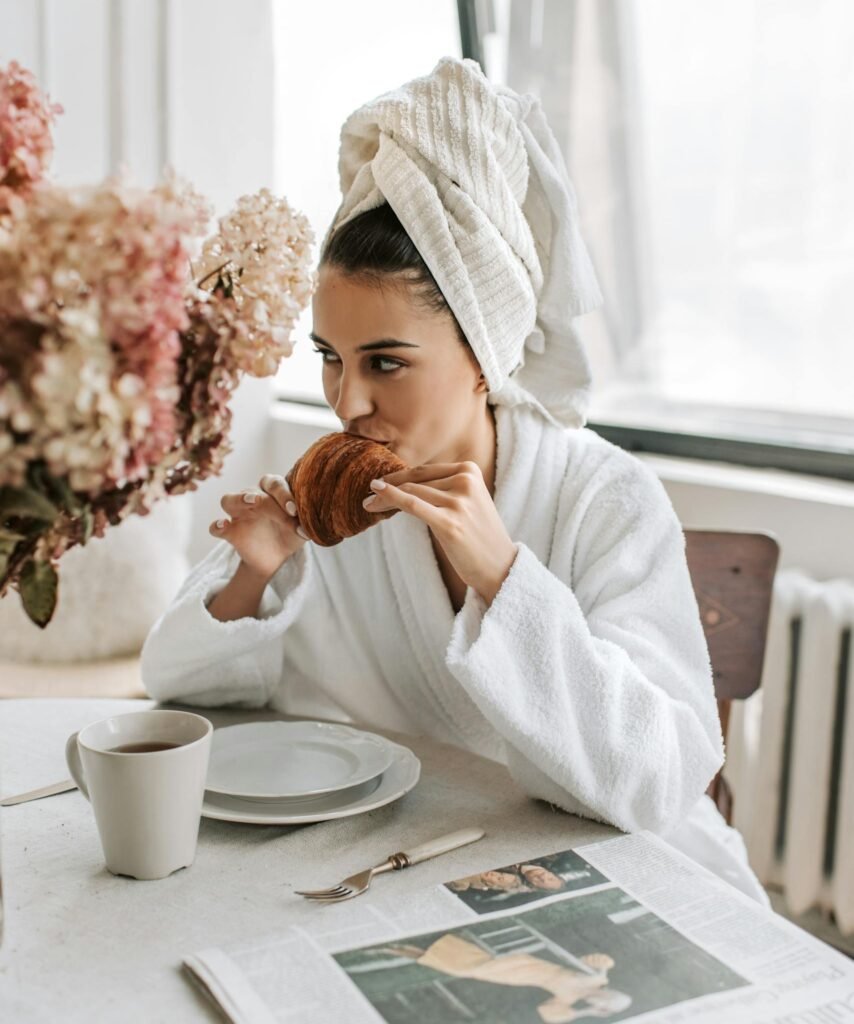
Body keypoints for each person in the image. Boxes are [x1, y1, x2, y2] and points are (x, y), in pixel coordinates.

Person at [141, 56, 767, 905]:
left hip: (613, 873)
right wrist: (253, 575)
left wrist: (504, 579)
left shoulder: (603, 497)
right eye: (330, 359)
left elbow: (658, 779)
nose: (346, 401)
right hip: (410, 869)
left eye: (387, 363)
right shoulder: (334, 505)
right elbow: (179, 703)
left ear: (485, 356)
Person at [376, 938, 632, 1022]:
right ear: (608, 996)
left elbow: (547, 1014)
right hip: (526, 965)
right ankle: (401, 949)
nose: (603, 1006)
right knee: (468, 970)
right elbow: (594, 961)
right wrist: (602, 969)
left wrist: (586, 1012)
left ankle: (403, 948)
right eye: (607, 1004)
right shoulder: (596, 980)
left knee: (468, 969)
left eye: (605, 1009)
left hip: (518, 978)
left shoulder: (570, 1002)